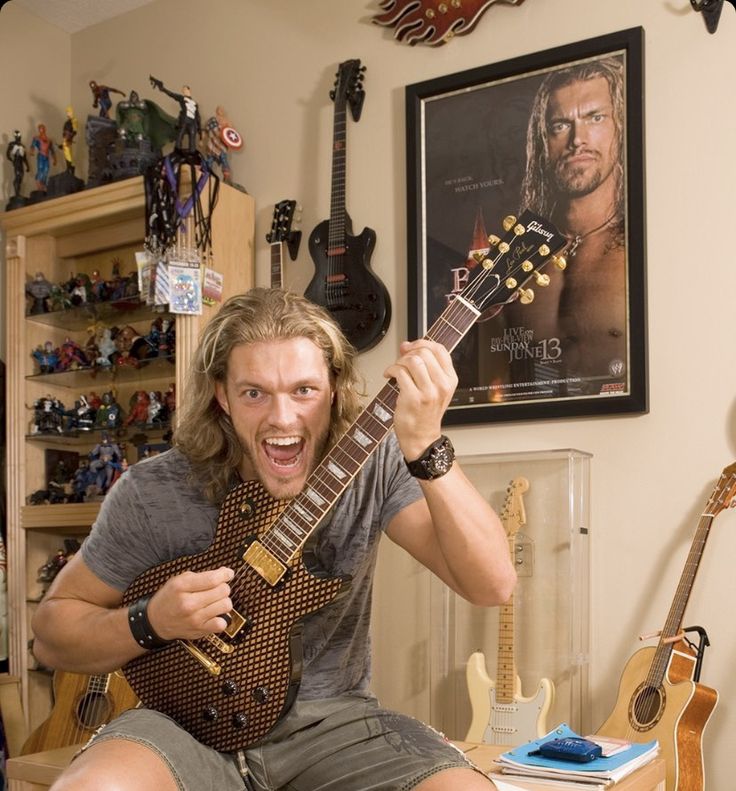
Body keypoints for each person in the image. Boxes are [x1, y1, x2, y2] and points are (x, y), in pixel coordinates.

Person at [31, 288, 516, 791]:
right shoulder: (154, 489)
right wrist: (150, 621)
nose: (282, 419)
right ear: (222, 395)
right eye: (254, 392)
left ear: (333, 387)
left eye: (303, 390)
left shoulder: (374, 467)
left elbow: (491, 586)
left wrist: (424, 443)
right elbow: (52, 633)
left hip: (333, 726)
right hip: (176, 725)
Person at [511, 57, 626, 395]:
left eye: (595, 118)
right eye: (560, 125)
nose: (577, 139)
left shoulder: (642, 247)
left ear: (619, 126)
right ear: (542, 140)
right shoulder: (516, 257)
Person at [149, 75, 201, 152]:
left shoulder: (194, 103)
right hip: (185, 120)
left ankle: (192, 152)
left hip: (192, 122)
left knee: (192, 138)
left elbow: (198, 116)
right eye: (183, 90)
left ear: (189, 90)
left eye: (185, 89)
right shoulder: (182, 98)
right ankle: (177, 150)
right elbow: (171, 94)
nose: (184, 91)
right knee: (180, 135)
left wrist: (200, 133)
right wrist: (163, 89)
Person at [30, 123, 57, 192]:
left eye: (42, 128)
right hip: (41, 156)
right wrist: (32, 151)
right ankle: (38, 183)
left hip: (46, 157)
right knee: (40, 170)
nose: (41, 130)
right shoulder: (37, 138)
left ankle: (43, 185)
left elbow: (52, 150)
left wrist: (54, 159)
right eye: (40, 128)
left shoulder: (49, 140)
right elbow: (32, 145)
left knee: (46, 171)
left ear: (45, 129)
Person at [6, 130, 29, 196]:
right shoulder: (12, 144)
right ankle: (17, 193)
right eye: (17, 135)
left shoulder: (22, 146)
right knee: (17, 176)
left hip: (20, 162)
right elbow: (7, 154)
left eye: (19, 135)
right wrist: (12, 160)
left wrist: (27, 166)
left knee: (21, 177)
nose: (18, 137)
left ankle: (18, 193)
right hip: (16, 161)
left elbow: (24, 157)